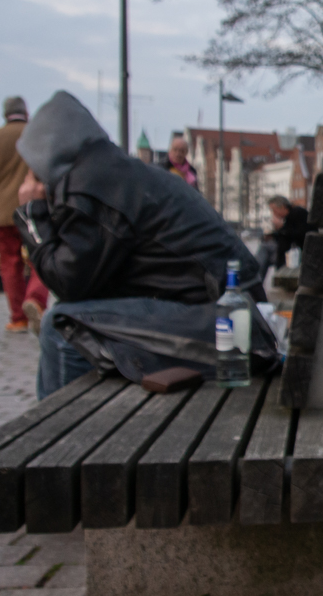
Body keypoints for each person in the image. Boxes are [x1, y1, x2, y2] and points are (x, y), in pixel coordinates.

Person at [14, 91, 273, 397]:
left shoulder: (94, 186)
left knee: (61, 327)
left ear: (45, 156)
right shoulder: (114, 174)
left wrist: (33, 214)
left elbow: (68, 282)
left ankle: (59, 438)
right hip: (231, 316)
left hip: (229, 328)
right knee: (76, 316)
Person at [0, 96, 48, 333]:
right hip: (34, 207)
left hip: (3, 213)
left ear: (5, 114)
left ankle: (18, 318)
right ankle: (35, 299)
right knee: (40, 257)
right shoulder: (36, 135)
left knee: (10, 264)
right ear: (25, 112)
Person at [254, 195, 311, 284]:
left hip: (295, 256)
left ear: (282, 207)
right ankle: (256, 281)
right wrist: (272, 235)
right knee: (264, 248)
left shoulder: (297, 213)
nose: (273, 213)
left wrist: (280, 229)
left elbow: (297, 235)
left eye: (273, 210)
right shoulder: (290, 216)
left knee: (264, 249)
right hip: (289, 255)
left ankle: (256, 282)